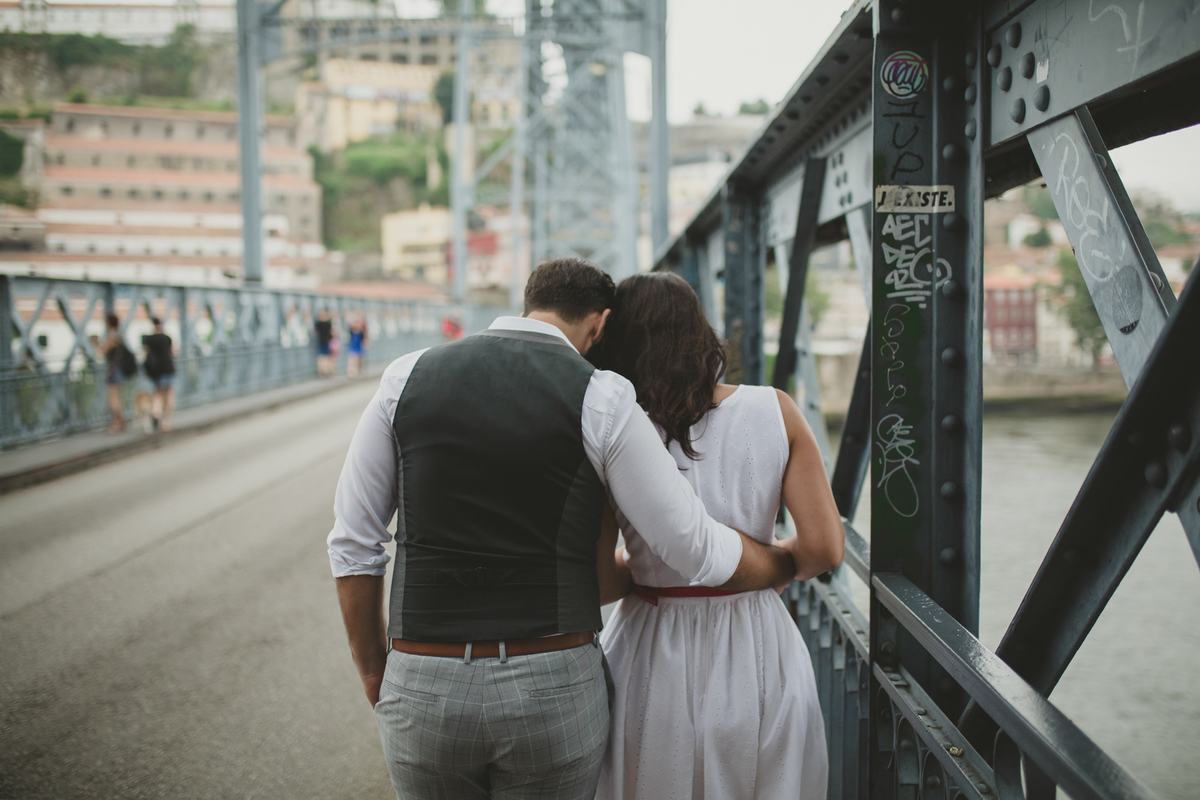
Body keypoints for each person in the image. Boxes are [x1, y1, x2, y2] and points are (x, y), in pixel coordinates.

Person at [328, 258, 810, 800]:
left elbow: (352, 543)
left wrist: (374, 668)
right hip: (551, 681)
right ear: (600, 324)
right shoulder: (602, 396)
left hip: (423, 675)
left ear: (527, 304)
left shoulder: (405, 377)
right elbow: (691, 545)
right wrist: (779, 562)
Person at [590, 273, 845, 800]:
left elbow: (599, 583)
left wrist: (645, 565)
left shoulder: (614, 427)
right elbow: (824, 548)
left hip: (651, 646)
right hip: (757, 642)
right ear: (701, 333)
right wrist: (765, 564)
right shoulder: (775, 409)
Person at [142, 317, 176, 432]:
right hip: (168, 369)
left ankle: (155, 412)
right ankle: (165, 422)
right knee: (168, 395)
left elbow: (145, 354)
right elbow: (173, 353)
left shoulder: (148, 339)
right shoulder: (167, 338)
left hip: (155, 371)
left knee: (157, 393)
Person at [101, 313, 132, 433]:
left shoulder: (112, 335)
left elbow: (104, 351)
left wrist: (96, 343)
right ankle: (121, 421)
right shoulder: (119, 334)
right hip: (119, 369)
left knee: (113, 397)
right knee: (117, 396)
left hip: (114, 369)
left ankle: (117, 422)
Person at [315, 309, 336, 377]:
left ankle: (322, 371)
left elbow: (315, 332)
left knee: (321, 357)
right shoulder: (328, 323)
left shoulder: (318, 323)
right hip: (327, 341)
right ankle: (326, 371)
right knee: (326, 357)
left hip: (321, 341)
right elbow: (331, 332)